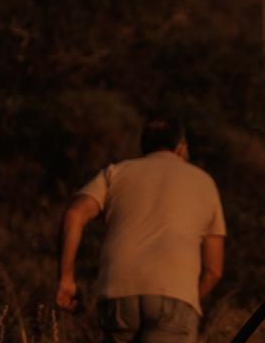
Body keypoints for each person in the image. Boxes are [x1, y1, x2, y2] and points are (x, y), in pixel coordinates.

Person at [57, 119, 227, 343]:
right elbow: (214, 270)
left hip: (118, 293)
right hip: (173, 294)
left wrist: (66, 279)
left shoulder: (115, 172)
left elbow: (74, 214)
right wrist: (187, 298)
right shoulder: (204, 183)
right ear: (181, 146)